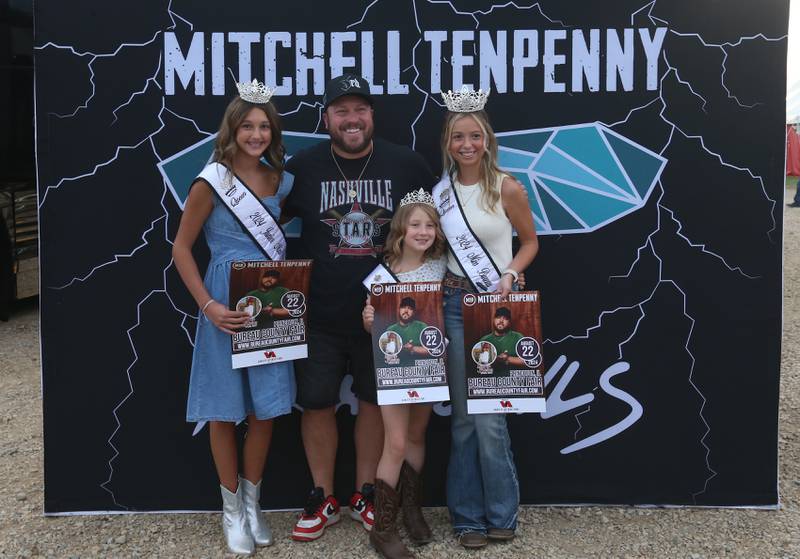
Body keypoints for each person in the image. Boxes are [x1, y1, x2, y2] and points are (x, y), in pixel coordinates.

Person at [283, 74, 437, 542]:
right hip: (319, 314)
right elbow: (263, 221)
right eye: (341, 111)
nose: (352, 119)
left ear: (372, 115)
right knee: (316, 403)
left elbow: (438, 233)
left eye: (360, 110)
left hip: (389, 318)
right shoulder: (302, 168)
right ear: (327, 118)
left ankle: (367, 494)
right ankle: (322, 496)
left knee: (373, 403)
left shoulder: (407, 164)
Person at [172, 81, 294, 555]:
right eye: (248, 125)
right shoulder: (211, 181)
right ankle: (230, 512)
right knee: (225, 410)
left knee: (264, 409)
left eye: (264, 126)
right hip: (222, 298)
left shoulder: (280, 180)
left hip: (266, 298)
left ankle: (253, 502)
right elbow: (181, 248)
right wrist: (208, 305)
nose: (256, 134)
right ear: (233, 128)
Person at [435, 89, 539, 549]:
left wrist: (512, 272)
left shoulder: (507, 187)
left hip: (496, 307)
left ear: (487, 139)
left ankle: (502, 513)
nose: (467, 144)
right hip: (454, 304)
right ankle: (467, 517)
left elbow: (531, 242)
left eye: (475, 135)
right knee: (461, 419)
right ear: (448, 142)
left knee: (491, 420)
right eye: (458, 136)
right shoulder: (439, 194)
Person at [362, 192, 447, 558]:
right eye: (416, 224)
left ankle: (411, 510)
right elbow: (370, 321)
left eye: (430, 225)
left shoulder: (443, 265)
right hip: (394, 368)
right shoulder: (385, 273)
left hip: (428, 364)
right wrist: (368, 321)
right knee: (395, 442)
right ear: (401, 228)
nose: (423, 231)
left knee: (416, 434)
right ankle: (383, 528)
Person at [385, 297, 429, 364]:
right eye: (403, 307)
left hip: (419, 366)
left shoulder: (421, 326)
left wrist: (412, 348)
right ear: (399, 309)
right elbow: (388, 357)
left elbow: (431, 350)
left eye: (410, 308)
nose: (406, 311)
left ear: (413, 312)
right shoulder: (391, 329)